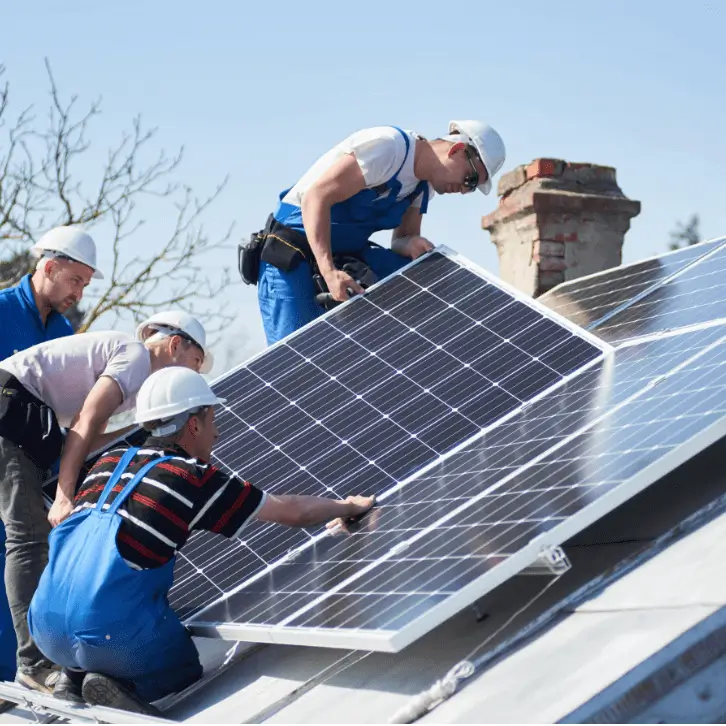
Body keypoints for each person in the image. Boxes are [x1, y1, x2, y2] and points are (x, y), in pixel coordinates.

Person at [28, 366, 375, 715]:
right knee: (183, 667)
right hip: (110, 635)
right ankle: (123, 685)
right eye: (213, 419)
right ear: (194, 424)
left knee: (90, 606)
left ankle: (71, 678)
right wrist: (347, 505)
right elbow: (293, 511)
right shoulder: (191, 478)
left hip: (43, 625)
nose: (217, 433)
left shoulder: (108, 462)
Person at [0, 310, 211, 696]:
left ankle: (58, 656)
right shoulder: (134, 355)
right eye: (196, 364)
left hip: (24, 421)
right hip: (9, 414)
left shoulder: (132, 380)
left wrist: (146, 423)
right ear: (175, 344)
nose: (195, 377)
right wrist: (65, 494)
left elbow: (85, 439)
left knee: (38, 535)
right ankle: (32, 664)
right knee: (29, 538)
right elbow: (85, 423)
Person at [253, 120, 506, 345]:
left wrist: (411, 244)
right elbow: (316, 197)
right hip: (294, 252)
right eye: (470, 180)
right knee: (295, 353)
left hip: (347, 254)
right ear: (457, 150)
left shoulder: (422, 187)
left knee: (429, 278)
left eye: (471, 188)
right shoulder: (389, 148)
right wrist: (329, 272)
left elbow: (401, 239)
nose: (464, 190)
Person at [0, 225, 102, 695]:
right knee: (25, 546)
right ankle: (27, 667)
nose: (78, 293)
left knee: (30, 554)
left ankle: (20, 677)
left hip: (36, 459)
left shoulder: (63, 333)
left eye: (84, 285)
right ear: (49, 267)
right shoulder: (1, 309)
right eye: (75, 281)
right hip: (5, 452)